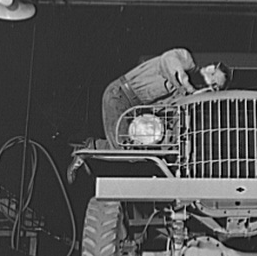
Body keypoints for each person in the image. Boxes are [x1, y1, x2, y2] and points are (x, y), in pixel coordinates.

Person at [67, 48, 231, 183]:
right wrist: (187, 86)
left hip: (135, 108)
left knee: (134, 152)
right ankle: (86, 148)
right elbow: (169, 61)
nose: (212, 87)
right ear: (210, 68)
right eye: (214, 81)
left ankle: (88, 148)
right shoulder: (186, 59)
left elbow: (168, 112)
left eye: (216, 88)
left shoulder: (182, 97)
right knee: (124, 149)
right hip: (119, 96)